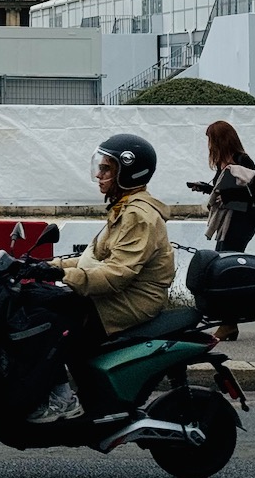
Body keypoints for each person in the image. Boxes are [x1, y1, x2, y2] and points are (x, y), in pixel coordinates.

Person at [22, 133, 175, 423]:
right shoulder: (125, 207)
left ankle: (62, 401)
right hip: (118, 293)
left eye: (106, 169)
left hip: (131, 301)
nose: (99, 175)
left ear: (127, 173)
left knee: (49, 325)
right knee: (35, 303)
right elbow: (92, 257)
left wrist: (59, 274)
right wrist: (41, 265)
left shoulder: (138, 216)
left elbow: (117, 275)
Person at [186, 119, 255, 341]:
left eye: (211, 140)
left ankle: (229, 324)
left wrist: (228, 194)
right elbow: (222, 190)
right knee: (229, 271)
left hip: (241, 220)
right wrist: (206, 188)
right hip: (228, 220)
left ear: (220, 140)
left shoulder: (242, 160)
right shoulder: (224, 164)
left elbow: (253, 191)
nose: (209, 145)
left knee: (226, 272)